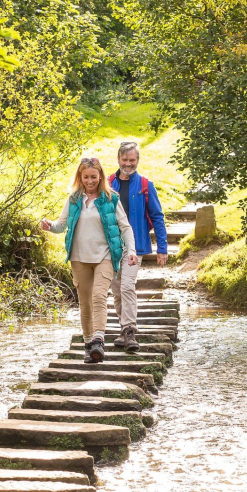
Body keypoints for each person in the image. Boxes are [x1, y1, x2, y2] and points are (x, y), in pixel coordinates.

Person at [41, 157, 137, 363]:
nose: (90, 181)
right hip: (78, 257)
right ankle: (88, 346)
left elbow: (125, 227)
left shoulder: (111, 199)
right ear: (80, 177)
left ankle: (98, 341)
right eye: (86, 177)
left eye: (94, 177)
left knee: (99, 296)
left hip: (105, 255)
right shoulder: (74, 199)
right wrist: (50, 225)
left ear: (100, 176)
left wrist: (131, 250)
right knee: (84, 304)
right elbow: (61, 225)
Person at [108, 141, 168, 353]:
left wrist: (162, 247)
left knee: (126, 286)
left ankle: (130, 330)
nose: (128, 164)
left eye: (132, 160)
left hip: (136, 246)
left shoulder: (144, 185)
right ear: (118, 159)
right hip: (111, 247)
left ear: (137, 161)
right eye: (124, 160)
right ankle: (124, 329)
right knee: (116, 291)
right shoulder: (107, 184)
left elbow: (157, 217)